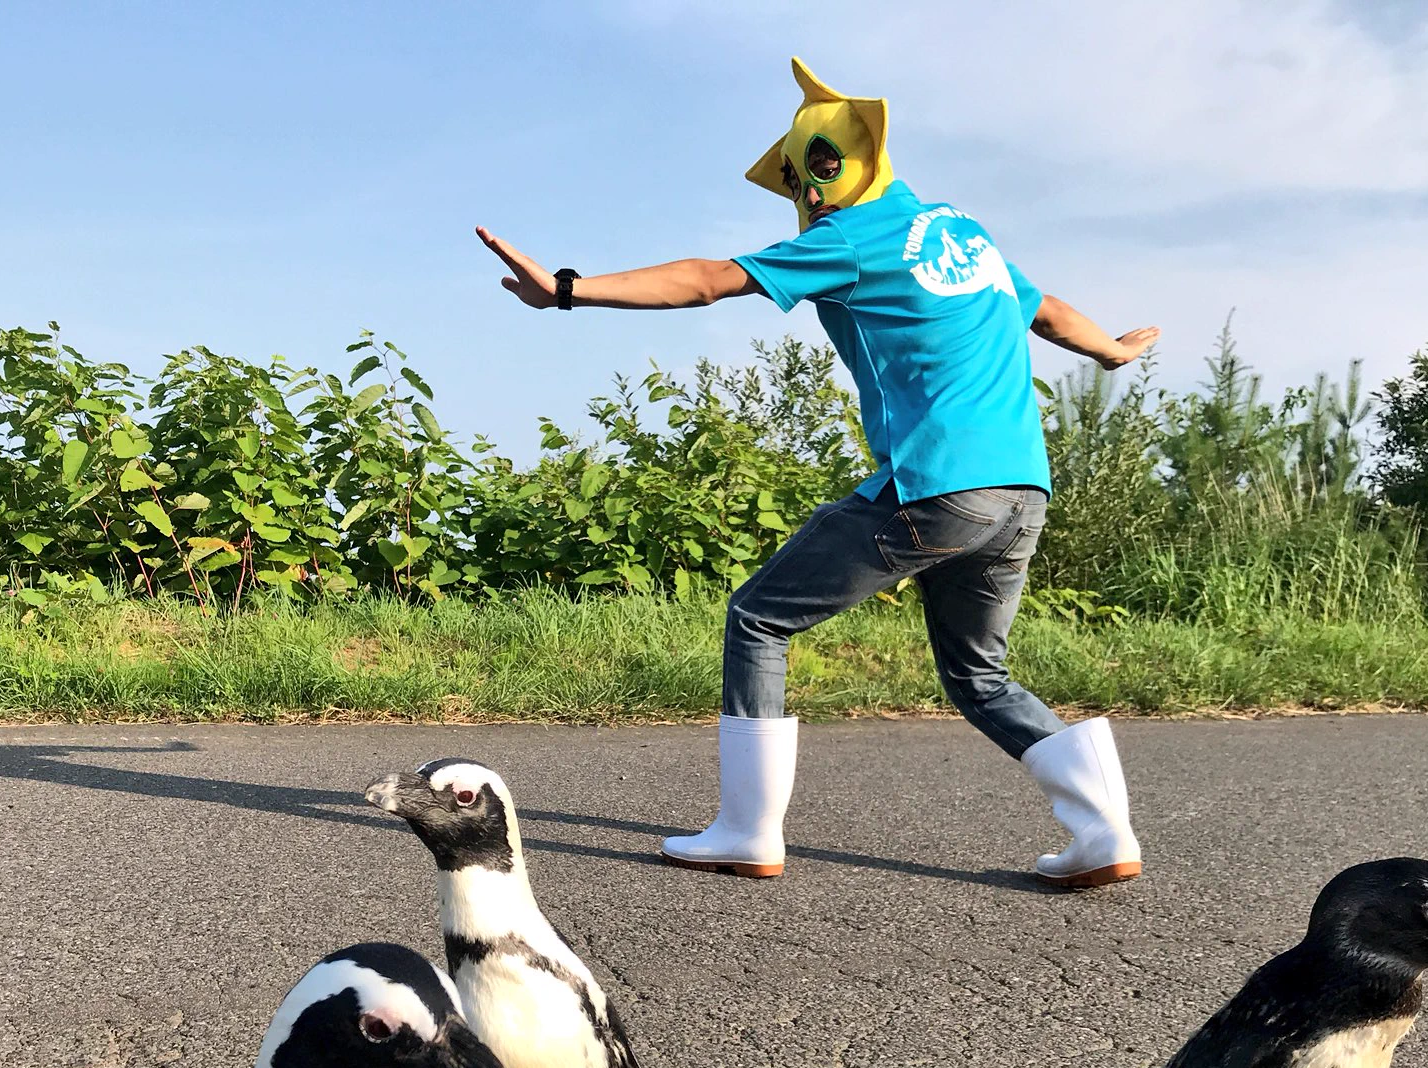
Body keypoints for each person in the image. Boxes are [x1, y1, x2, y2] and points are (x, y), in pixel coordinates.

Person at [477, 58, 1159, 888]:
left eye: (814, 173)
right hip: (1023, 491)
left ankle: (747, 830)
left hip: (939, 486)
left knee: (759, 617)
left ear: (850, 166)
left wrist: (570, 290)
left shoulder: (853, 238)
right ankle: (1104, 834)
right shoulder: (961, 235)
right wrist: (1113, 352)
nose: (807, 194)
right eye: (797, 179)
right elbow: (1047, 311)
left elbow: (706, 281)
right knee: (980, 675)